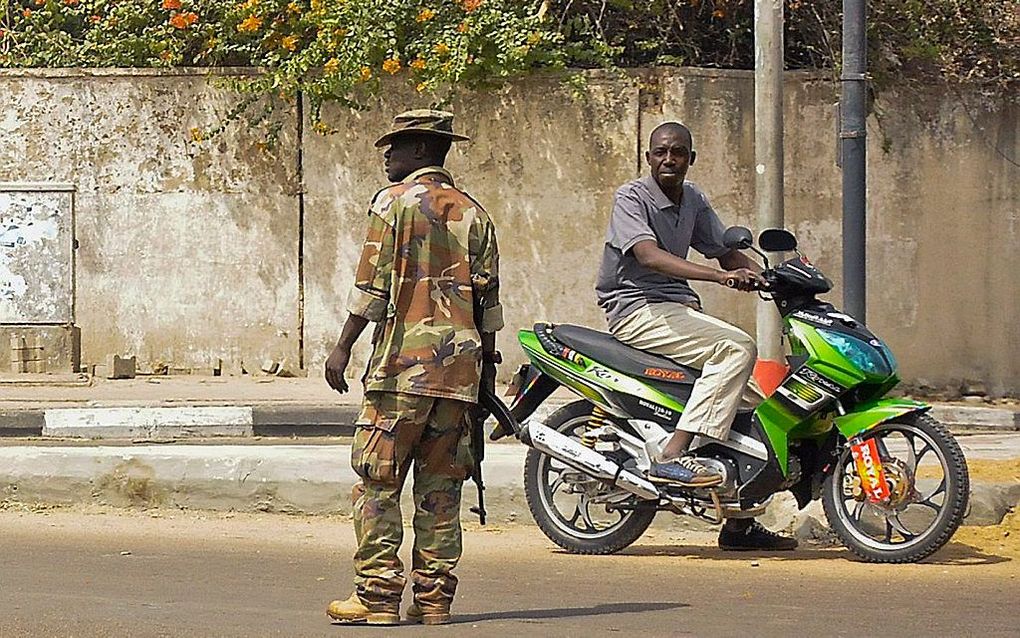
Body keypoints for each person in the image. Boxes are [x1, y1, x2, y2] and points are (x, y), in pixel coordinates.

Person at [323, 109, 503, 625]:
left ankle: (377, 597)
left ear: (422, 150)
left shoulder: (392, 204)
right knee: (442, 490)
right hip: (459, 378)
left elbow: (372, 287)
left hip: (401, 371)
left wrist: (342, 349)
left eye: (396, 146)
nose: (387, 155)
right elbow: (489, 310)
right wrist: (484, 378)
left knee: (377, 482)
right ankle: (434, 601)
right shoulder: (476, 214)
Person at [595, 121, 796, 551]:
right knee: (737, 346)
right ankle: (673, 455)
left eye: (678, 153)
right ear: (648, 158)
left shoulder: (694, 199)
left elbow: (723, 248)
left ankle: (739, 525)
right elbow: (648, 257)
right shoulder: (631, 197)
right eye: (661, 152)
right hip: (636, 308)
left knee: (758, 415)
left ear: (691, 159)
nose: (669, 159)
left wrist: (772, 278)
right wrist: (720, 277)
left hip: (678, 310)